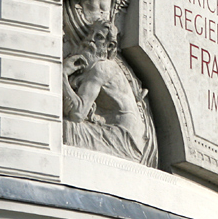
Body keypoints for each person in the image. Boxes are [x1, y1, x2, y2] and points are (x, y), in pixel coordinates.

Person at [63, 22, 157, 168]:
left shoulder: (101, 67)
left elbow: (77, 114)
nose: (91, 40)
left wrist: (62, 75)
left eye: (99, 37)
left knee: (67, 130)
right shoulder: (109, 67)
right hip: (130, 138)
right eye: (91, 34)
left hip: (124, 140)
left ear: (110, 47)